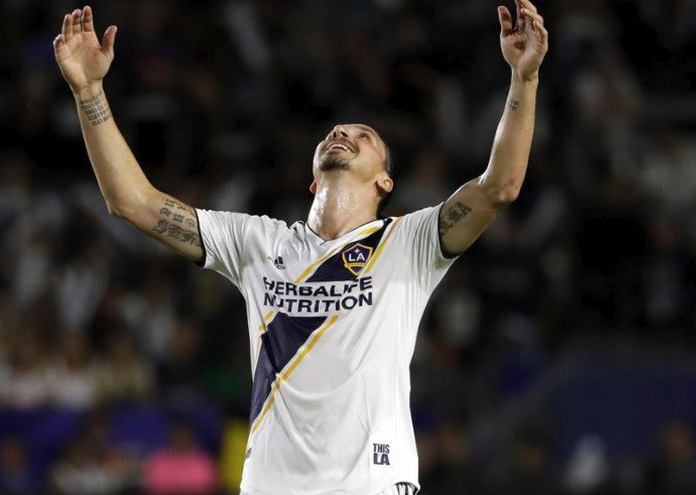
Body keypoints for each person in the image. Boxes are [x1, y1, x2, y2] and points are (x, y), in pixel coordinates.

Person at [53, 1, 548, 493]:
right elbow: (133, 202)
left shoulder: (408, 242)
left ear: (385, 181)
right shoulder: (256, 243)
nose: (342, 133)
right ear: (312, 180)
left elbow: (499, 186)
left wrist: (523, 79)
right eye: (336, 131)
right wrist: (89, 92)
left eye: (364, 135)